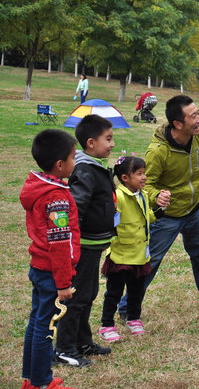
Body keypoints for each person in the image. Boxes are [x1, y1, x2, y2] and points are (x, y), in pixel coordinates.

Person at [118, 95, 199, 317]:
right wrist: (157, 196)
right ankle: (127, 306)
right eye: (193, 116)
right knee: (151, 260)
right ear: (177, 124)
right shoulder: (158, 151)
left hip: (193, 209)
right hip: (167, 215)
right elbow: (142, 185)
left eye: (198, 113)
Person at [54, 115, 116, 367]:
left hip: (94, 244)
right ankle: (65, 349)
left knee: (88, 294)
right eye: (108, 139)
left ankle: (82, 341)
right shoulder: (86, 169)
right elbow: (76, 209)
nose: (112, 144)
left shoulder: (96, 165)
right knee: (77, 298)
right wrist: (73, 247)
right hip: (84, 246)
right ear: (91, 143)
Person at [20, 130, 80, 389]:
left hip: (40, 268)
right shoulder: (56, 197)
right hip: (52, 274)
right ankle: (42, 382)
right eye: (73, 157)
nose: (75, 162)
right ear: (60, 165)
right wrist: (63, 282)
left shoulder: (42, 186)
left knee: (37, 322)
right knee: (46, 328)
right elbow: (58, 242)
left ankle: (32, 379)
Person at [98, 157, 170, 342]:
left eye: (144, 172)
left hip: (140, 255)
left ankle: (134, 318)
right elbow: (111, 222)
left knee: (137, 290)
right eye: (139, 174)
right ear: (124, 178)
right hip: (121, 255)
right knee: (114, 292)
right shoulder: (118, 197)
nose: (144, 177)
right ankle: (106, 324)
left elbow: (145, 219)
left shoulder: (143, 195)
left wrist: (159, 212)